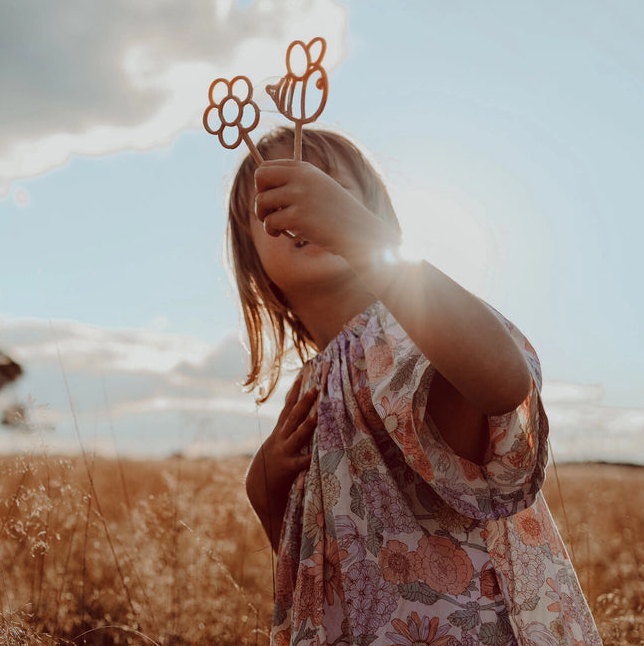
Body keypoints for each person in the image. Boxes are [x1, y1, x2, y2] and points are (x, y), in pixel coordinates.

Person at [232, 127, 600, 645]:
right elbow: (312, 568)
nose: (303, 195)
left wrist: (363, 240)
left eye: (327, 186)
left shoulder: (409, 329)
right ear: (253, 262)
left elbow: (503, 384)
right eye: (273, 194)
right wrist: (265, 492)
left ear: (373, 219)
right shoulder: (310, 388)